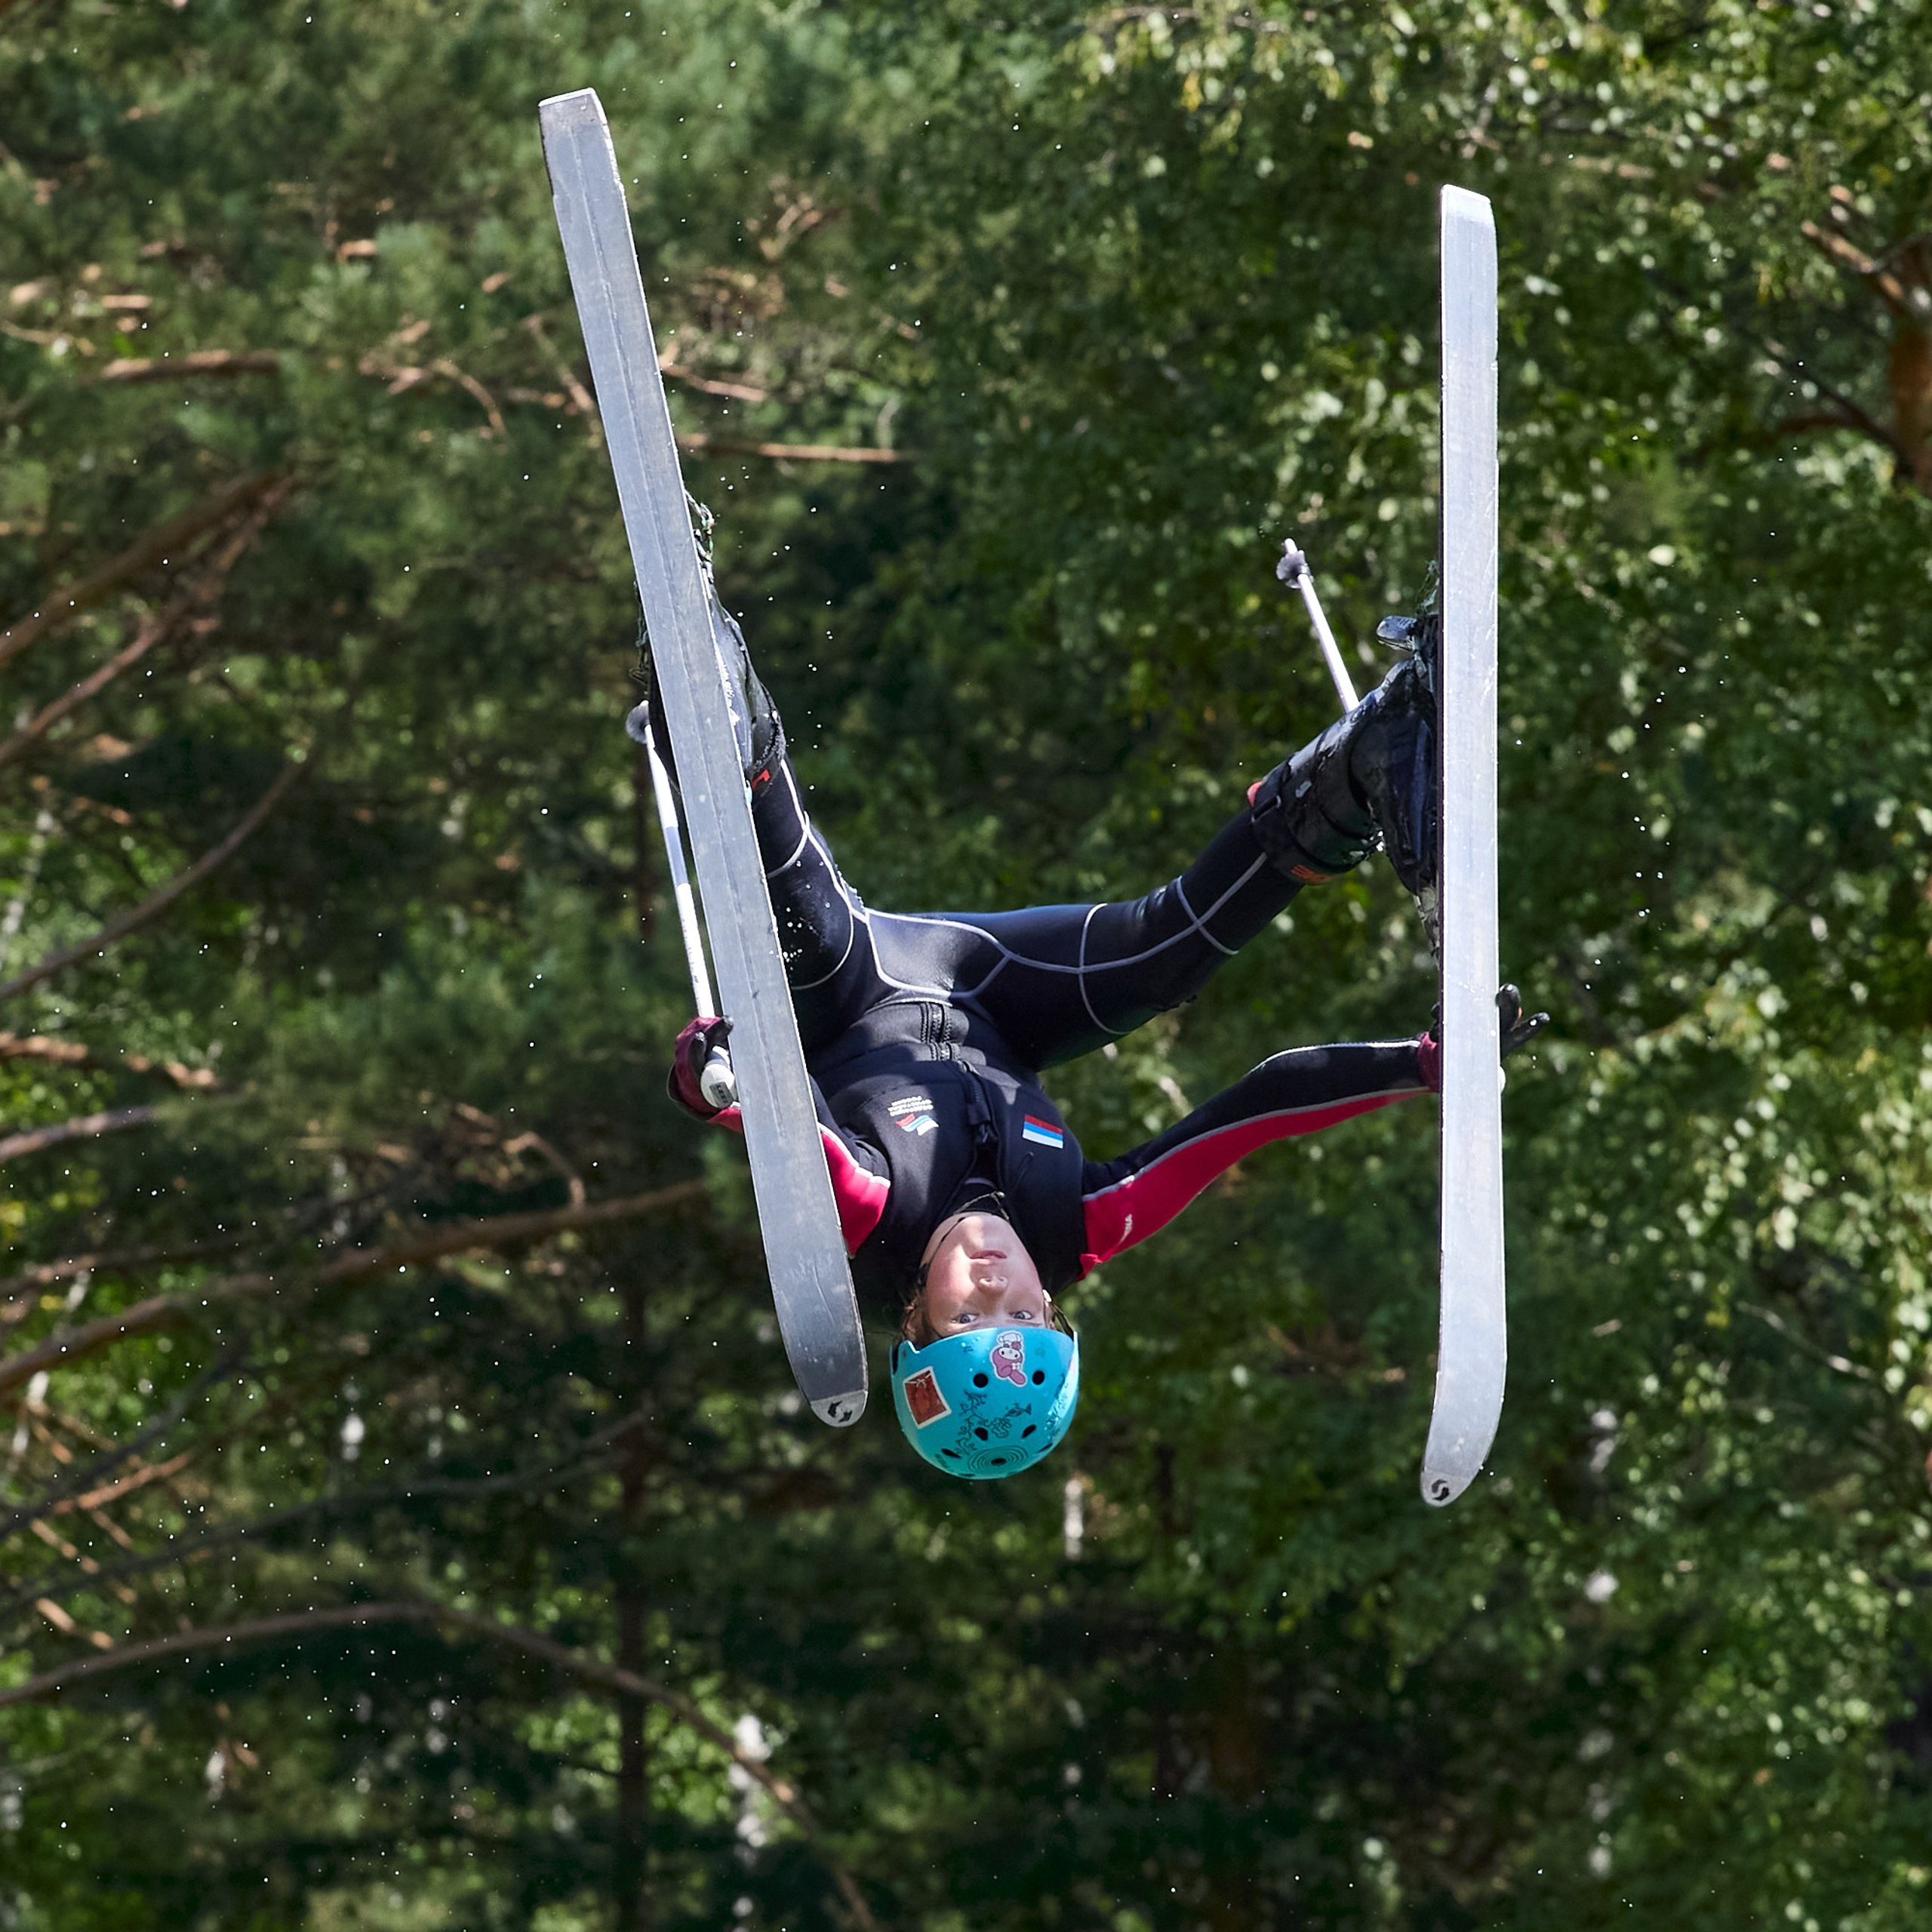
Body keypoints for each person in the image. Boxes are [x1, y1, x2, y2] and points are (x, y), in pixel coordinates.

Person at [654, 574, 1544, 1481]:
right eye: (1026, 1316)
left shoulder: (860, 1219)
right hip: (999, 999)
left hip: (851, 992)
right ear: (1054, 1309)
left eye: (969, 1320)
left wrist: (715, 1084)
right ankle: (1365, 759)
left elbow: (782, 1117)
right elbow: (1256, 1108)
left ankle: (704, 670)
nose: (999, 1285)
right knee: (1168, 960)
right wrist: (1429, 1064)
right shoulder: (1079, 1226)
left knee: (778, 883)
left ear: (915, 1319)